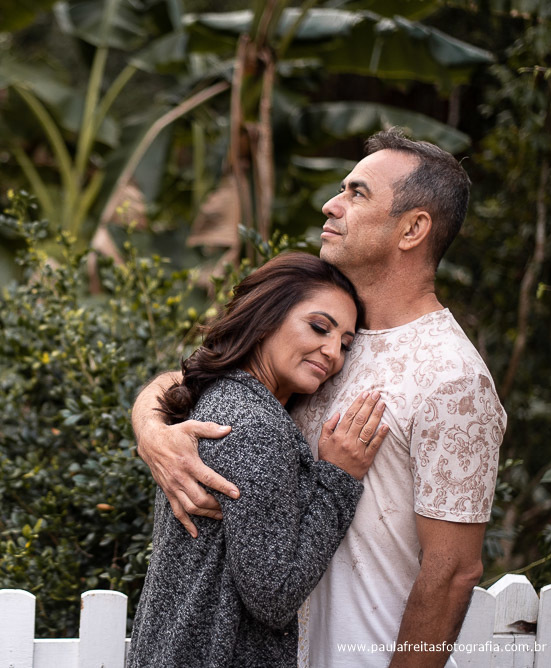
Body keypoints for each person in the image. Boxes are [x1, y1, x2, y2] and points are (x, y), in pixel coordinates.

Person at [130, 128, 507, 667]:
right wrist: (153, 435)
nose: (332, 205)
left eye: (357, 193)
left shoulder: (452, 378)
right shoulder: (332, 341)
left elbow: (453, 574)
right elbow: (202, 380)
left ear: (413, 228)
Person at [127, 252, 389, 668]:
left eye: (344, 344)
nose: (332, 353)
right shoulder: (256, 427)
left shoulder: (218, 397)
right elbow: (273, 597)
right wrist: (338, 479)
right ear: (267, 317)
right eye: (319, 327)